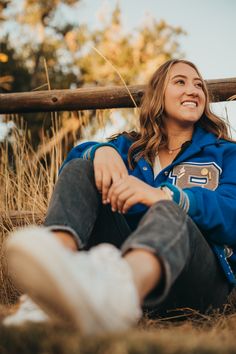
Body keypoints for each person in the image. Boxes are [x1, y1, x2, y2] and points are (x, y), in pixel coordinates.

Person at [4, 59, 236, 334]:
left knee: (168, 209)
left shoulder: (225, 152)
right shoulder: (130, 148)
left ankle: (117, 298)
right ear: (159, 93)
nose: (194, 90)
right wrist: (98, 151)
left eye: (199, 85)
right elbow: (75, 169)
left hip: (199, 281)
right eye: (180, 82)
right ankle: (44, 295)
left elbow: (232, 213)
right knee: (81, 168)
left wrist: (168, 196)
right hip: (126, 258)